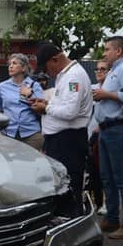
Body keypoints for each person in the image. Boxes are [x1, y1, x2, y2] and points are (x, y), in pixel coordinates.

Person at [29, 43, 93, 214]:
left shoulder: (73, 77)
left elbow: (70, 112)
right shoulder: (65, 76)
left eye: (46, 68)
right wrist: (47, 103)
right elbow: (65, 105)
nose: (46, 73)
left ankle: (74, 227)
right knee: (60, 187)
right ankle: (67, 221)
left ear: (55, 60)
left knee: (69, 187)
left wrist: (45, 108)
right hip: (61, 141)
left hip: (68, 142)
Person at [92, 36, 123, 240]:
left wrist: (106, 95)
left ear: (118, 51)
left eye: (107, 49)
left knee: (120, 178)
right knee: (107, 178)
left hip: (118, 129)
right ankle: (112, 219)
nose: (104, 53)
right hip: (105, 130)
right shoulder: (114, 71)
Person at [0, 53, 44, 151]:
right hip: (8, 134)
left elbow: (41, 107)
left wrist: (29, 96)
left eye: (14, 63)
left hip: (31, 134)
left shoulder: (34, 85)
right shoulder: (2, 86)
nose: (10, 66)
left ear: (23, 68)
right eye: (10, 64)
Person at [88, 61, 110, 214]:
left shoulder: (111, 91)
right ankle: (97, 203)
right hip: (89, 136)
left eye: (103, 69)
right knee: (93, 172)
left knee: (107, 172)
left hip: (105, 135)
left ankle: (108, 204)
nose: (99, 71)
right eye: (97, 69)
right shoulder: (91, 89)